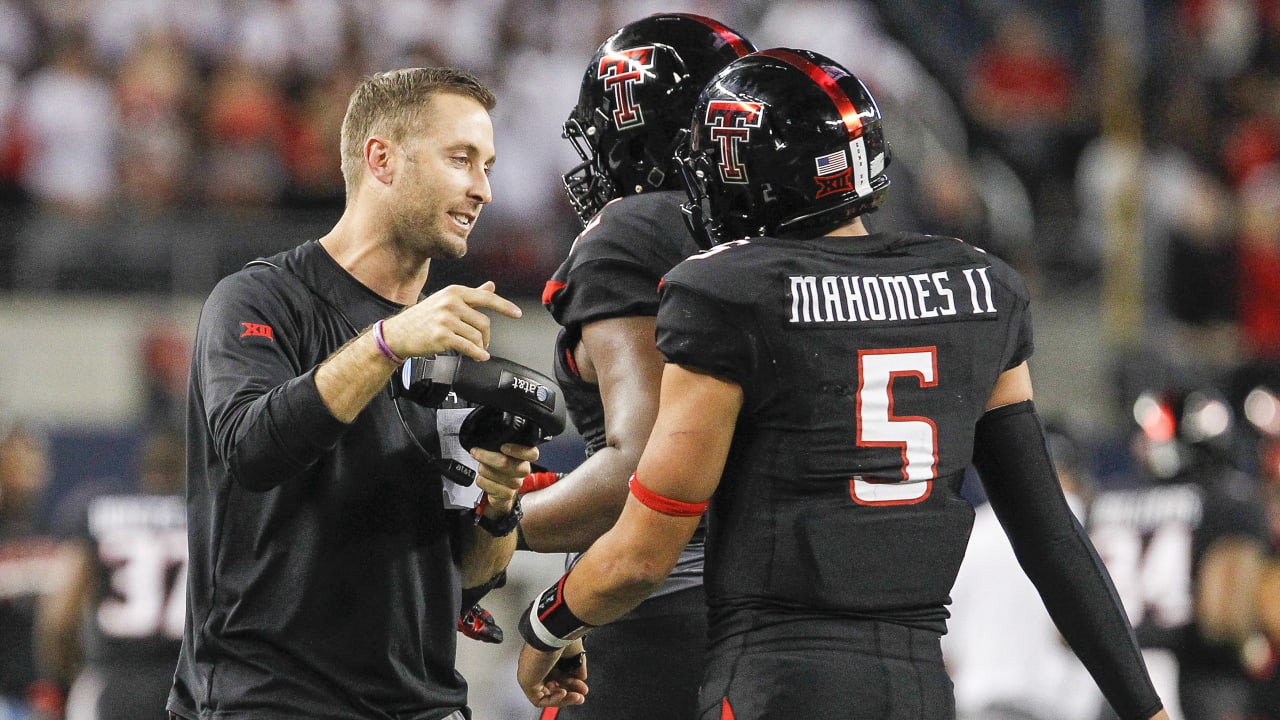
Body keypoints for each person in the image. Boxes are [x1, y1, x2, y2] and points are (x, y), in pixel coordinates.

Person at [514, 49, 1170, 720]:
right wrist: (1145, 710)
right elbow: (1052, 539)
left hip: (777, 680)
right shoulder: (978, 288)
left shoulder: (726, 293)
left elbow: (643, 557)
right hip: (917, 687)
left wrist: (547, 622)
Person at [167, 66, 535, 720]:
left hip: (425, 706)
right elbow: (251, 449)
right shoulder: (259, 299)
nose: (482, 189)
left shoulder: (448, 344)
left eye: (488, 166)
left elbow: (467, 579)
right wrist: (385, 343)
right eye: (461, 159)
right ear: (382, 159)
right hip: (271, 703)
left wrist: (499, 502)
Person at [518, 13, 755, 720]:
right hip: (787, 618)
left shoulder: (637, 228)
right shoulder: (788, 235)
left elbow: (643, 468)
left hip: (661, 612)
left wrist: (489, 523)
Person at [1088, 387, 1269, 720]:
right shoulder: (1232, 504)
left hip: (1112, 685)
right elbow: (1224, 617)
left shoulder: (1105, 500)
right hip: (1196, 685)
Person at [943, 426, 1103, 720]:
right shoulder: (1080, 519)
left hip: (980, 705)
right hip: (1057, 706)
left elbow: (943, 640)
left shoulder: (974, 529)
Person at [38, 427, 188, 720]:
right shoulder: (206, 513)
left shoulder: (98, 507)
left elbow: (59, 618)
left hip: (113, 682)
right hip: (186, 688)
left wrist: (59, 681)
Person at [0, 417, 67, 720]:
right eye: (19, 455)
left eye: (35, 455)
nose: (31, 465)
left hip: (45, 694)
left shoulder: (55, 532)